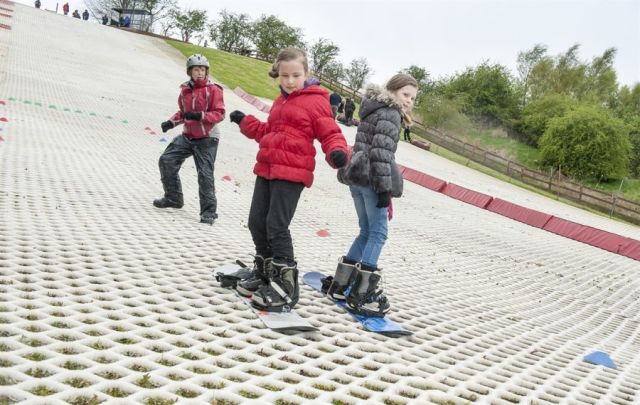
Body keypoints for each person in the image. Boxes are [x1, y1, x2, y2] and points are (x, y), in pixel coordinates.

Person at [228, 47, 349, 312]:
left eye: (296, 75)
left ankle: (286, 286)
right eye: (285, 76)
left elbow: (330, 132)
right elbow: (267, 132)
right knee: (256, 222)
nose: (290, 81)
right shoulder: (281, 101)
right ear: (278, 76)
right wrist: (245, 121)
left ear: (306, 73)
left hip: (292, 172)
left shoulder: (316, 100)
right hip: (267, 167)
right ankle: (264, 273)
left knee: (276, 225)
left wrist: (338, 151)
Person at [330, 73, 418, 317]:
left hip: (356, 176)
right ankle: (362, 294)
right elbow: (381, 154)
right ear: (392, 91)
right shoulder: (391, 114)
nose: (409, 101)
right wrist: (384, 190)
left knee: (366, 231)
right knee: (378, 233)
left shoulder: (373, 108)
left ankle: (341, 285)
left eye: (412, 98)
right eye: (405, 95)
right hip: (371, 180)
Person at [155, 54, 225, 225]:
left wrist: (200, 115)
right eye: (196, 69)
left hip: (207, 138)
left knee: (205, 174)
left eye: (203, 69)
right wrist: (171, 122)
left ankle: (208, 212)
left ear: (207, 71)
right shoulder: (185, 89)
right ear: (190, 72)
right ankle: (173, 198)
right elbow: (183, 112)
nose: (200, 73)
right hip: (188, 136)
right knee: (166, 160)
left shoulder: (214, 89)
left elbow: (220, 113)